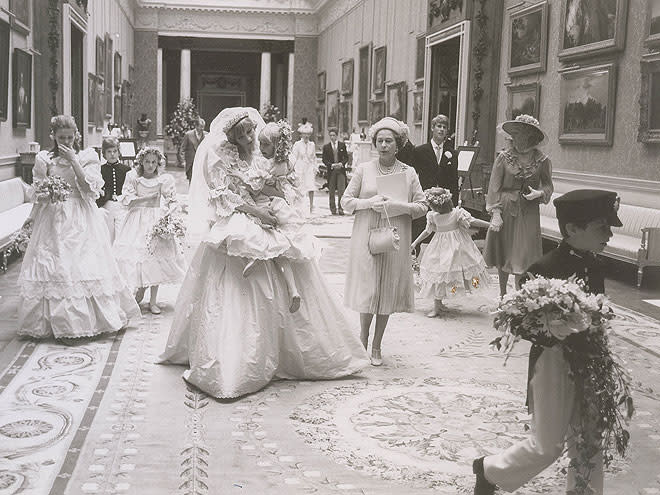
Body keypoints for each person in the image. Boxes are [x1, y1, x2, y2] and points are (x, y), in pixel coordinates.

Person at [159, 107, 369, 399]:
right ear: (232, 137)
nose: (248, 138)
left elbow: (280, 181)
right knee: (244, 246)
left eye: (250, 132)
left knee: (287, 247)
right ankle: (237, 358)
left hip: (268, 210)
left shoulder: (263, 152)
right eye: (242, 134)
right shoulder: (222, 158)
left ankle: (291, 342)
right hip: (240, 213)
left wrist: (277, 203)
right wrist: (256, 210)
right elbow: (223, 196)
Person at [473, 189, 622, 495]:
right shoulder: (543, 269)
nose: (609, 234)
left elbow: (597, 308)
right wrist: (559, 328)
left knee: (589, 438)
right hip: (554, 362)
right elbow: (521, 324)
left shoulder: (594, 265)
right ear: (572, 230)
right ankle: (489, 470)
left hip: (592, 359)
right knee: (547, 444)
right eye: (601, 227)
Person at [16, 115, 139, 339]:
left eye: (70, 137)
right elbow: (37, 193)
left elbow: (91, 190)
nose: (66, 141)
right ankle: (55, 324)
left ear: (76, 136)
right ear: (53, 136)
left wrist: (73, 160)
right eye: (61, 137)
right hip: (53, 216)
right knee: (55, 264)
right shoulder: (44, 158)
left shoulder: (86, 156)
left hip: (81, 215)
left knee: (82, 264)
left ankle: (86, 321)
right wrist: (43, 200)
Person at [341, 117, 427, 366]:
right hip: (366, 234)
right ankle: (363, 337)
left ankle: (377, 344)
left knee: (386, 289)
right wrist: (369, 203)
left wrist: (398, 206)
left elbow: (422, 206)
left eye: (389, 141)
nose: (384, 145)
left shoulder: (408, 173)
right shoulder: (363, 169)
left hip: (394, 235)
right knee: (369, 288)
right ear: (374, 144)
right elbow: (346, 202)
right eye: (380, 141)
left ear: (398, 145)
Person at [483, 114, 554, 297]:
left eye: (525, 132)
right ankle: (502, 295)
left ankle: (520, 297)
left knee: (524, 256)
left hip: (529, 211)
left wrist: (539, 193)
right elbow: (494, 187)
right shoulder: (504, 158)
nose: (520, 137)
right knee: (504, 254)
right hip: (506, 209)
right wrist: (496, 213)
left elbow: (548, 185)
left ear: (532, 135)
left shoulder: (542, 160)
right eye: (517, 132)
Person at [113, 147, 185, 315]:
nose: (150, 165)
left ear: (158, 163)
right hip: (136, 220)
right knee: (137, 258)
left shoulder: (163, 180)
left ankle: (153, 301)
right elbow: (128, 202)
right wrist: (147, 198)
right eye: (147, 162)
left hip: (154, 219)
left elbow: (172, 200)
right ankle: (138, 291)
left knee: (155, 259)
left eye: (154, 162)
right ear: (141, 162)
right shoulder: (134, 178)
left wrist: (169, 216)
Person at [411, 187, 490, 317]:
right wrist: (415, 242)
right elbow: (427, 231)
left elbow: (473, 221)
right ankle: (437, 305)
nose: (431, 208)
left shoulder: (457, 213)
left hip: (457, 248)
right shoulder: (433, 216)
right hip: (439, 248)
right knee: (438, 274)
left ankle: (439, 304)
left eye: (432, 205)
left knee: (448, 273)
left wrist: (489, 224)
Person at [411, 114, 459, 255]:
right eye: (438, 126)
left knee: (443, 231)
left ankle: (442, 260)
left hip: (445, 200)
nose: (441, 129)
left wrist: (453, 203)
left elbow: (454, 179)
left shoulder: (452, 153)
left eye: (444, 127)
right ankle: (414, 256)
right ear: (432, 128)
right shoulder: (420, 151)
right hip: (424, 198)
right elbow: (413, 177)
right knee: (420, 228)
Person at [97, 136, 131, 242]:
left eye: (115, 151)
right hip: (107, 205)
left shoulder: (126, 170)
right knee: (108, 234)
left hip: (122, 205)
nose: (112, 154)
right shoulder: (100, 170)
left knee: (121, 232)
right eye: (109, 151)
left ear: (119, 152)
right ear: (104, 154)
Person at [290, 121, 317, 214]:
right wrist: (292, 169)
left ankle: (311, 205)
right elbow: (293, 157)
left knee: (311, 186)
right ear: (301, 135)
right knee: (300, 187)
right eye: (304, 134)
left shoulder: (312, 145)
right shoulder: (297, 144)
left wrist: (315, 167)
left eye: (308, 134)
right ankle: (300, 205)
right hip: (300, 167)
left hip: (309, 167)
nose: (306, 136)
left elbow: (313, 158)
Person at [322, 127, 349, 215]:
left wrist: (342, 163)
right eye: (331, 135)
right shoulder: (326, 147)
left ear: (337, 136)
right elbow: (324, 159)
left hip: (340, 170)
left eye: (334, 135)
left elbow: (346, 157)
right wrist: (331, 165)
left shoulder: (342, 145)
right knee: (332, 190)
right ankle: (333, 208)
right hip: (332, 171)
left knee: (341, 190)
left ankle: (341, 208)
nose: (332, 137)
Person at [182, 118, 207, 182]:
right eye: (201, 127)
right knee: (192, 181)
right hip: (191, 163)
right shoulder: (188, 135)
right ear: (196, 126)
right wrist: (183, 161)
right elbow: (182, 149)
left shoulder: (207, 135)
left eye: (203, 127)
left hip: (202, 163)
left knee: (201, 182)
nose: (202, 129)